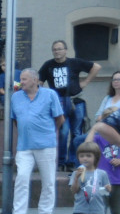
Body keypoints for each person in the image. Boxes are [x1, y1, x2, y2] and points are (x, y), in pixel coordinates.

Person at [10, 68, 64, 214]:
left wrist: (49, 133)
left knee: (48, 181)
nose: (21, 82)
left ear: (35, 80)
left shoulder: (50, 95)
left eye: (24, 79)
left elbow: (60, 118)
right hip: (24, 146)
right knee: (21, 178)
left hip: (46, 145)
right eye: (21, 79)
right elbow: (15, 120)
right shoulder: (16, 97)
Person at [39, 40, 101, 171]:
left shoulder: (74, 62)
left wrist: (86, 82)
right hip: (58, 103)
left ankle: (73, 161)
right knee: (63, 132)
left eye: (60, 49)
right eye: (55, 49)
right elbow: (40, 82)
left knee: (77, 132)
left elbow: (96, 67)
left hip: (75, 100)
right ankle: (61, 162)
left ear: (65, 50)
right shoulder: (48, 65)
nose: (57, 51)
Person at [93, 112, 120, 214]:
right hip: (102, 181)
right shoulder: (98, 138)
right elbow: (87, 146)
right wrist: (94, 129)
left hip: (118, 181)